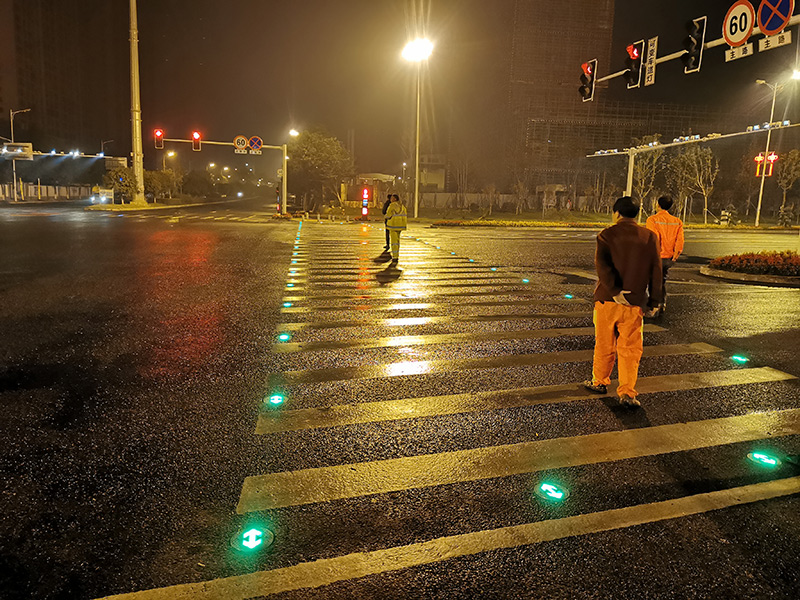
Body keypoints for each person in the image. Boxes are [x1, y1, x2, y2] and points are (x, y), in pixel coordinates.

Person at [583, 196, 662, 407]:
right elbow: (656, 271)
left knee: (604, 344)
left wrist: (615, 291)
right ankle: (627, 392)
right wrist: (654, 301)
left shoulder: (607, 235)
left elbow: (603, 267)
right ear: (636, 214)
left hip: (607, 301)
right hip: (634, 303)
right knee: (630, 349)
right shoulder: (649, 237)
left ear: (616, 213)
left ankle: (599, 381)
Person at [645, 196, 684, 313]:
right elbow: (680, 240)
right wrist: (676, 255)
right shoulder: (677, 221)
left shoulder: (652, 220)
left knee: (654, 281)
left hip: (657, 256)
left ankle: (655, 305)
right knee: (661, 280)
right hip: (670, 257)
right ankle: (662, 302)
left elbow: (654, 238)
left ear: (658, 205)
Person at [385, 193, 407, 265]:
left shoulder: (392, 206)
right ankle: (396, 255)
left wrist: (386, 218)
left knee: (394, 242)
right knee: (397, 241)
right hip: (400, 226)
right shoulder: (402, 206)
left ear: (395, 199)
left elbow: (388, 214)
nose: (390, 200)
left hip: (393, 225)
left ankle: (395, 257)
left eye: (392, 198)